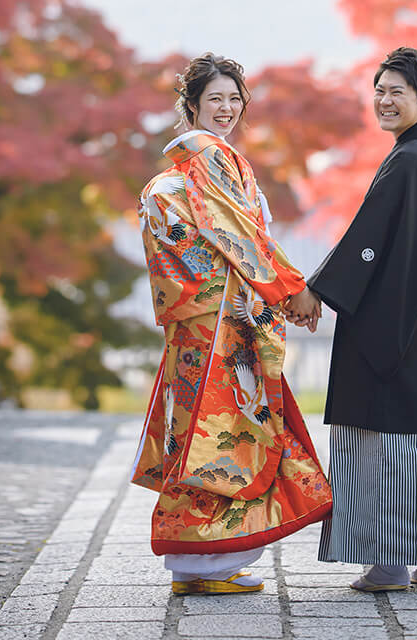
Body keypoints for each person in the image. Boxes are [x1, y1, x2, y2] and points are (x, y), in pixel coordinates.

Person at [131, 53, 331, 595]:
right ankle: (205, 563)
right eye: (215, 98)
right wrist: (292, 291)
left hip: (195, 325)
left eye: (234, 98)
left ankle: (198, 565)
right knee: (223, 435)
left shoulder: (176, 175)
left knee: (194, 431)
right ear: (191, 104)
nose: (226, 108)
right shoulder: (212, 163)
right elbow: (244, 240)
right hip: (221, 324)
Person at [285, 46, 417, 592]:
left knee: (387, 443)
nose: (384, 100)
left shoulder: (409, 161)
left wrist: (316, 291)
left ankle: (391, 560)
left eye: (398, 91)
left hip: (395, 335)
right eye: (380, 89)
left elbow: (367, 244)